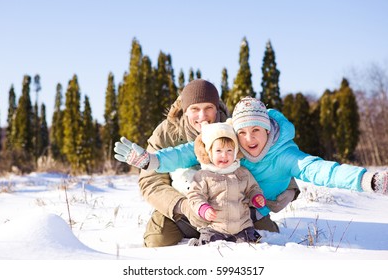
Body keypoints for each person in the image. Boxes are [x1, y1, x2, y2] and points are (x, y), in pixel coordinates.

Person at [115, 96, 388, 232]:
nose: (248, 139)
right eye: (242, 132)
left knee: (270, 237)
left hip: (254, 211)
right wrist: (149, 160)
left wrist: (368, 180)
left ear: (268, 130)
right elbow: (186, 152)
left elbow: (320, 170)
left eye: (256, 130)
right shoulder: (231, 139)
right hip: (216, 208)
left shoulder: (285, 155)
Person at [114, 80, 299, 247]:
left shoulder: (232, 127)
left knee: (269, 237)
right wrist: (183, 206)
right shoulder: (165, 133)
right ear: (185, 111)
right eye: (195, 109)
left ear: (217, 107)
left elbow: (264, 153)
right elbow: (150, 182)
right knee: (158, 240)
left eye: (208, 107)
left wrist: (290, 186)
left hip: (232, 207)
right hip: (183, 211)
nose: (202, 115)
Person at [187, 121, 265, 245]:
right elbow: (195, 195)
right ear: (209, 152)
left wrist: (256, 197)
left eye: (229, 150)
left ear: (235, 152)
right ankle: (197, 245)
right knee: (209, 245)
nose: (224, 155)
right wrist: (203, 208)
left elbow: (253, 188)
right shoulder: (204, 175)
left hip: (242, 226)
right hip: (215, 227)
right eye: (218, 151)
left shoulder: (242, 173)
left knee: (254, 244)